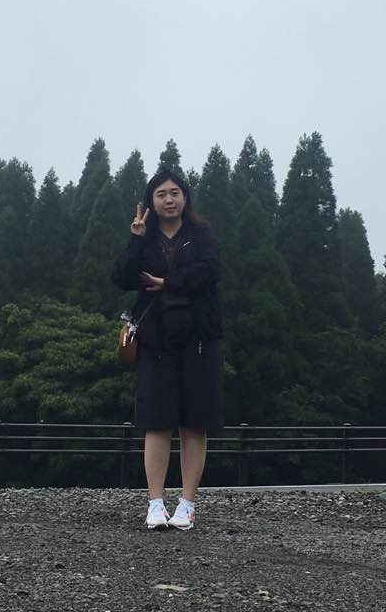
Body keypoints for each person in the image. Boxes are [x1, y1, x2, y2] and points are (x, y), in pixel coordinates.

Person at [111, 168, 223, 530]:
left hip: (199, 338)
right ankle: (155, 504)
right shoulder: (144, 237)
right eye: (161, 194)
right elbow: (122, 279)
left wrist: (168, 282)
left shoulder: (202, 233)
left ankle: (187, 505)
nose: (169, 199)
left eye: (175, 192)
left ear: (185, 197)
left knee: (194, 424)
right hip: (156, 339)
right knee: (156, 423)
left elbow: (211, 272)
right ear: (151, 201)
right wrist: (135, 240)